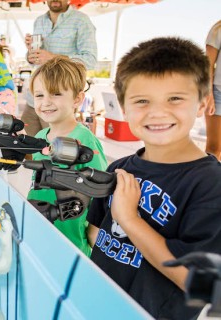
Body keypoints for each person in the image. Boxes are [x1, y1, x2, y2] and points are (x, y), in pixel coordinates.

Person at [86, 37, 221, 319]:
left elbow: (196, 281)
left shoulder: (211, 184)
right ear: (124, 107)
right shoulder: (120, 167)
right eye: (142, 101)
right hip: (95, 304)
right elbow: (96, 233)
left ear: (203, 104)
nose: (157, 112)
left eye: (175, 98)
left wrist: (130, 220)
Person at [27, 56, 107, 256]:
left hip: (71, 242)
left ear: (77, 99)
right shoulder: (40, 137)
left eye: (56, 94)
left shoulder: (85, 141)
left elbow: (102, 194)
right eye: (39, 95)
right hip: (39, 232)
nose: (46, 102)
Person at [20, 0, 97, 137]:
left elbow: (90, 60)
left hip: (58, 101)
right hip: (34, 99)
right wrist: (30, 55)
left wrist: (52, 57)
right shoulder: (39, 21)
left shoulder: (81, 20)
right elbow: (37, 58)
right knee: (26, 147)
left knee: (57, 151)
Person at [206, 20, 221, 160]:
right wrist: (208, 94)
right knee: (214, 150)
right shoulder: (219, 28)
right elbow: (208, 64)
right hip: (218, 95)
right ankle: (209, 181)